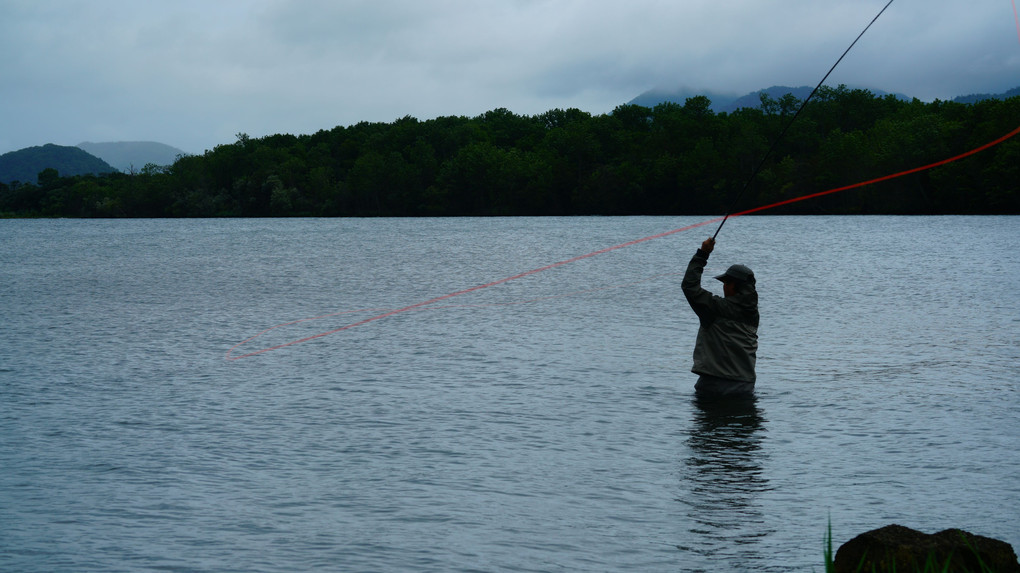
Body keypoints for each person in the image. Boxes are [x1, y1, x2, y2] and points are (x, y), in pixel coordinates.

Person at [681, 237, 758, 397]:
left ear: (734, 286)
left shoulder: (716, 308)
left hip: (715, 385)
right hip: (745, 387)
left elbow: (690, 286)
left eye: (726, 283)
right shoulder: (753, 313)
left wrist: (702, 254)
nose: (723, 286)